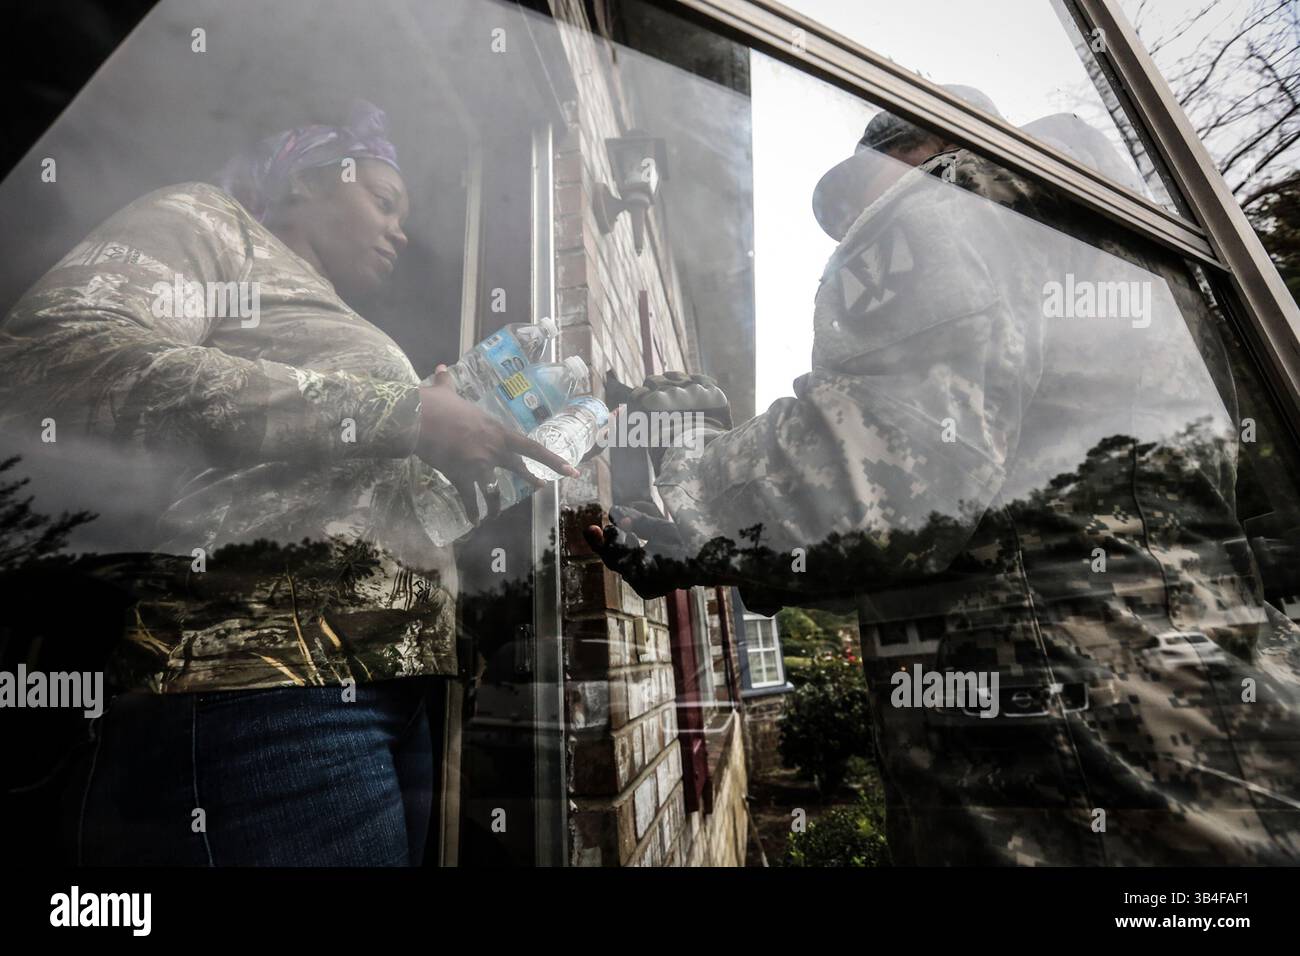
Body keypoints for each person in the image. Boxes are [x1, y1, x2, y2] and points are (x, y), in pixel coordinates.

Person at [586, 88, 1300, 865]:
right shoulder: (1131, 253)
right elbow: (995, 523)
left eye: (858, 195)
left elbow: (882, 484)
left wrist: (687, 457)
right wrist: (702, 547)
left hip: (1066, 758)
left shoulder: (956, 200)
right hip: (1201, 727)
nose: (852, 226)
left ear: (919, 149)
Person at [0, 100, 576, 865]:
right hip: (265, 688)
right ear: (306, 181)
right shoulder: (213, 222)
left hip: (394, 692)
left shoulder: (338, 320)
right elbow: (58, 358)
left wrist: (444, 448)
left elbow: (334, 477)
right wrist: (401, 413)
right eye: (384, 200)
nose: (402, 230)